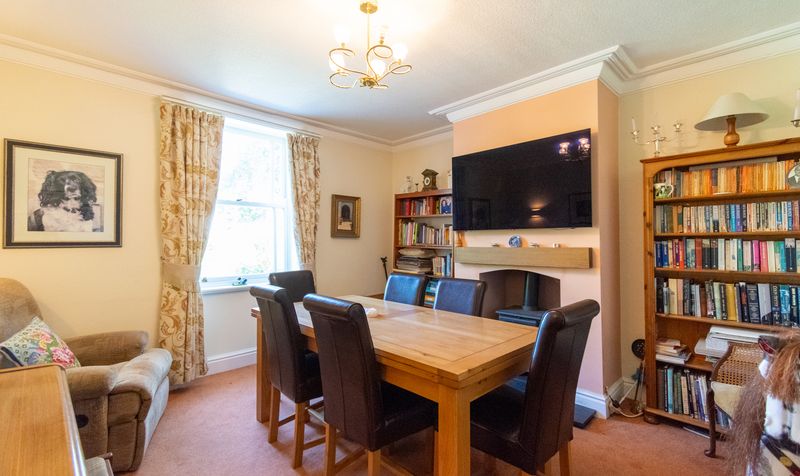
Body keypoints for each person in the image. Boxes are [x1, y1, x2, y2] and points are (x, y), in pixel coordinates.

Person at [28, 170, 102, 232]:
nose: (72, 187)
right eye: (62, 181)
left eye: (76, 180)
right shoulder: (50, 217)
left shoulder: (87, 214)